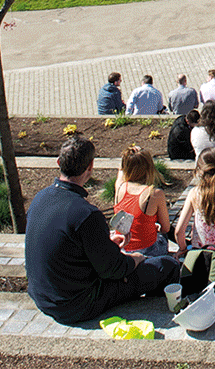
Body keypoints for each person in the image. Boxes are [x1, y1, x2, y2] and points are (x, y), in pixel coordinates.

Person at [25, 137, 181, 325]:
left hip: (43, 296)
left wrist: (106, 243)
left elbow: (70, 243)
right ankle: (156, 313)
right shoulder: (86, 214)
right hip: (77, 304)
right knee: (167, 265)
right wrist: (136, 259)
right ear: (90, 167)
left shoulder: (41, 198)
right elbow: (114, 269)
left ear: (59, 162)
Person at [113, 145, 173, 254]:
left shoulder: (120, 187)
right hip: (146, 250)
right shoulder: (154, 194)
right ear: (149, 168)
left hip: (122, 248)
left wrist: (129, 156)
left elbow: (121, 171)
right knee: (162, 237)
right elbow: (166, 228)